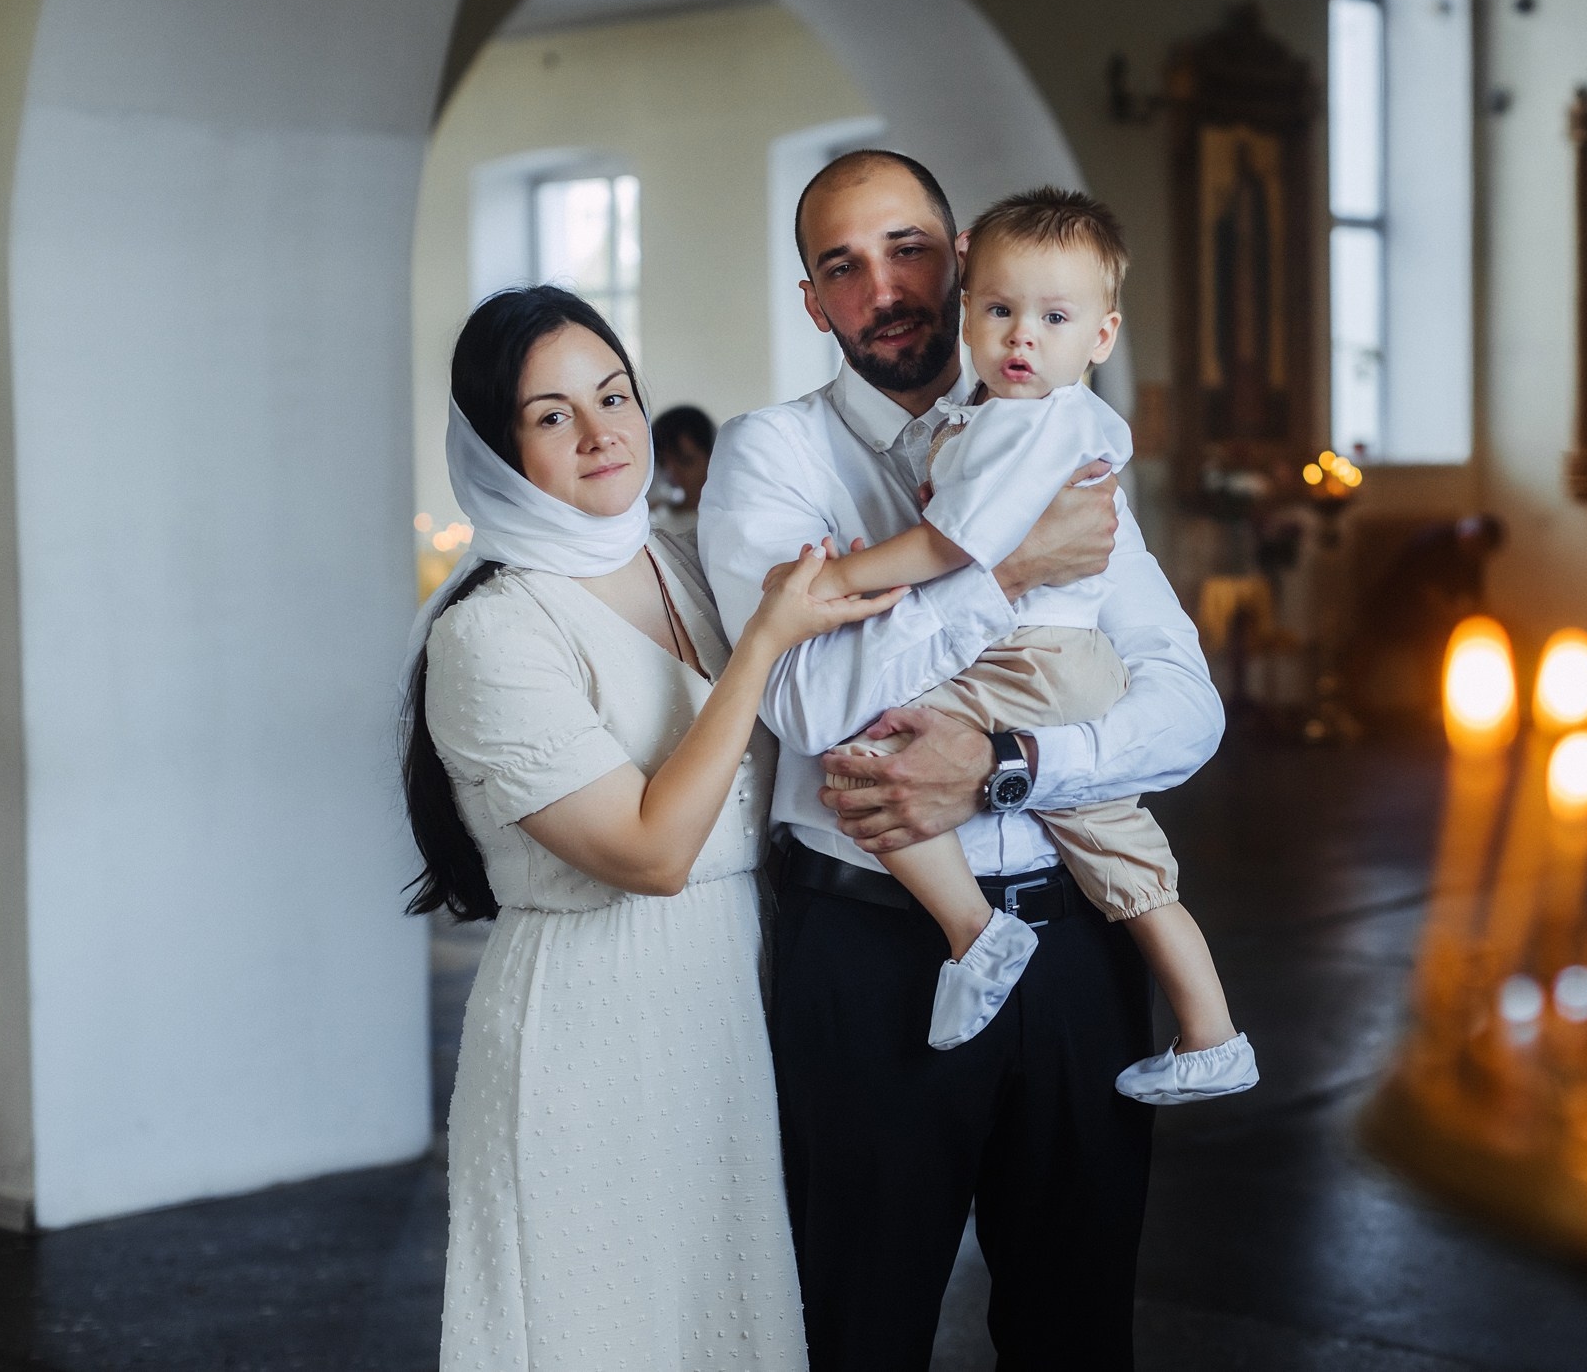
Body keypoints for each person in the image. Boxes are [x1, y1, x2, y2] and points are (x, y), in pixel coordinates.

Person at [699, 151, 1224, 1370]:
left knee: (1076, 1328)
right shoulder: (770, 459)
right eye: (843, 266)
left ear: (959, 256)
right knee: (860, 1324)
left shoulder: (1061, 440)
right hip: (871, 951)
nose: (884, 285)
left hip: (1077, 939)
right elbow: (811, 698)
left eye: (908, 249)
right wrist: (1007, 572)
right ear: (814, 301)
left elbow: (1185, 709)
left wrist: (1008, 762)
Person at [401, 286, 903, 1372]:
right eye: (549, 414)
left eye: (612, 393)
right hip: (589, 1016)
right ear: (494, 446)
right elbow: (649, 853)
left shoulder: (686, 562)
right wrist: (767, 640)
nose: (601, 433)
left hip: (725, 997)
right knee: (602, 1323)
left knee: (720, 1313)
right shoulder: (492, 630)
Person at [772, 186, 1257, 1104]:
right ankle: (1212, 1030)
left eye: (1053, 317)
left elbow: (950, 547)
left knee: (869, 748)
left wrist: (842, 576)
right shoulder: (1001, 419)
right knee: (1128, 861)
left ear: (1100, 337)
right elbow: (797, 694)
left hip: (1029, 663)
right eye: (1000, 312)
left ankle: (975, 933)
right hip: (1054, 667)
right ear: (971, 302)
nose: (1020, 337)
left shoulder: (1035, 423)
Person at [651, 403, 715, 540]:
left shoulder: (731, 516)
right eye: (663, 462)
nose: (672, 471)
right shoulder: (653, 518)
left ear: (712, 456)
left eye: (685, 460)